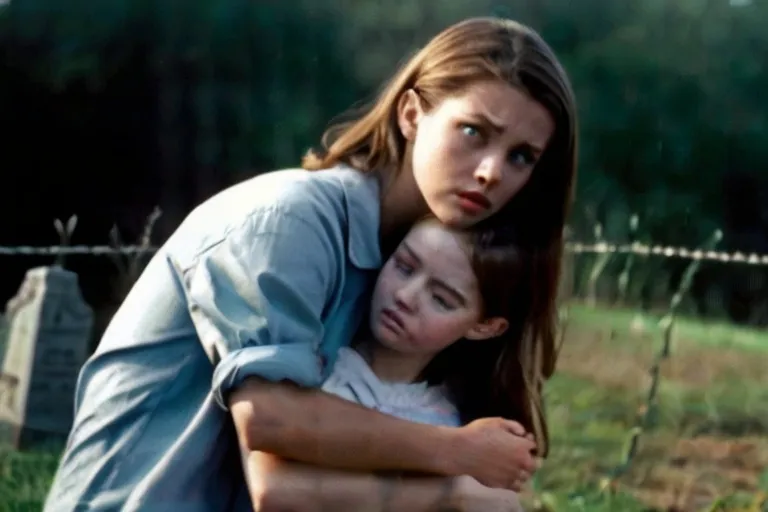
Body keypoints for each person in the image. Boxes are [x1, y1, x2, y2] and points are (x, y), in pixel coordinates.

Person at [43, 16, 577, 512]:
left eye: (520, 157)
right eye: (474, 132)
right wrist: (457, 456)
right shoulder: (289, 221)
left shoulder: (417, 264)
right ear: (412, 113)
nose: (490, 171)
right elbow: (273, 422)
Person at [246, 215, 546, 511]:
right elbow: (272, 490)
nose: (405, 296)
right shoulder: (312, 379)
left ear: (484, 327)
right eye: (403, 267)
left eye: (441, 299)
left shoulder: (460, 420)